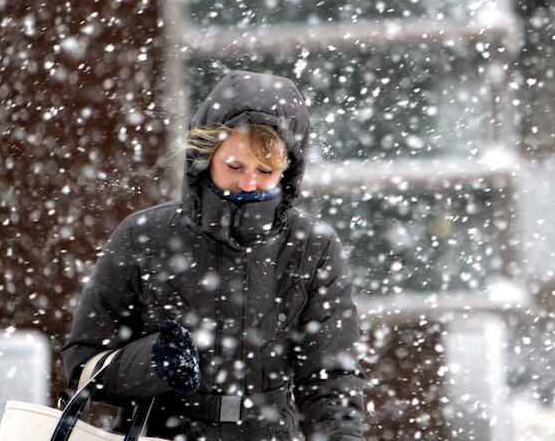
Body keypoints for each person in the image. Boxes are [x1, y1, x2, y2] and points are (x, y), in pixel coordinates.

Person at [62, 70, 365, 440]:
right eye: (235, 166)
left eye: (266, 170)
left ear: (289, 170)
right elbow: (82, 366)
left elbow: (330, 379)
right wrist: (154, 362)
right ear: (206, 155)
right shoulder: (143, 236)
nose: (249, 183)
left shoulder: (312, 246)